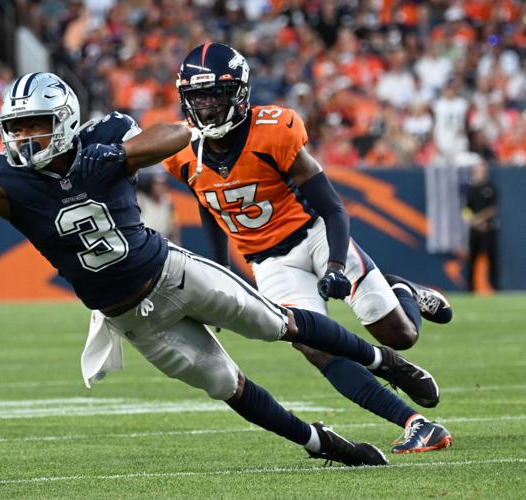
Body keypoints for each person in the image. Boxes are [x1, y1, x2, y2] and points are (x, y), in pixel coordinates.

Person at [0, 71, 442, 467]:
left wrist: (111, 158)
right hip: (130, 318)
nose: (25, 139)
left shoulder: (103, 142)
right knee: (224, 385)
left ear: (67, 121)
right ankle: (324, 445)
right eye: (17, 128)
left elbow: (175, 132)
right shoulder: (6, 183)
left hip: (175, 272)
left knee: (281, 326)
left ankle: (387, 362)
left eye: (37, 126)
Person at [163, 42, 453, 454]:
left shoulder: (273, 131)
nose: (206, 108)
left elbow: (333, 208)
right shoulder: (180, 152)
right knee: (315, 347)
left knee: (399, 336)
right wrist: (220, 272)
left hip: (314, 237)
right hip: (269, 262)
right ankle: (414, 422)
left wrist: (335, 263)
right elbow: (208, 201)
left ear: (239, 93)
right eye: (198, 97)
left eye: (216, 95)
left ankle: (402, 292)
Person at [463, 159, 498, 292]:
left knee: (492, 259)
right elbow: (466, 209)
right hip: (475, 230)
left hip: (488, 228)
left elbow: (493, 208)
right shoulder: (471, 189)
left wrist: (479, 219)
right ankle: (471, 288)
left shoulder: (490, 187)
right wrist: (473, 221)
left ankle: (495, 286)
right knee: (472, 259)